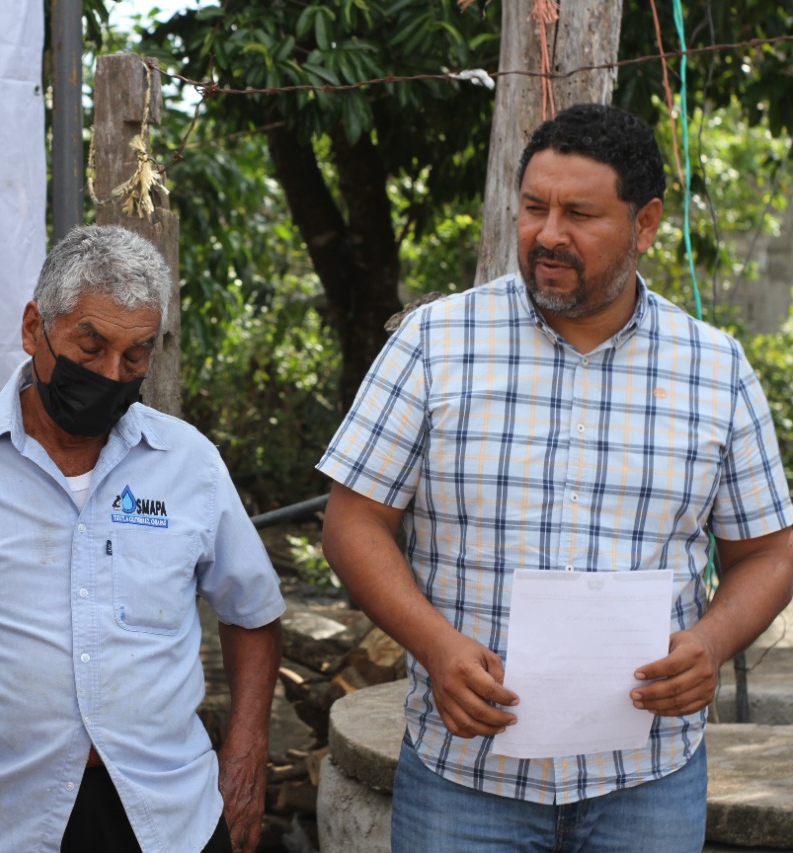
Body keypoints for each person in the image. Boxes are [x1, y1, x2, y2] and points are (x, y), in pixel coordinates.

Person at [318, 103, 793, 851]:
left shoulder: (715, 368)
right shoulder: (435, 343)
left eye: (580, 214)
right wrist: (436, 646)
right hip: (463, 778)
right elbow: (352, 522)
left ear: (645, 224)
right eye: (535, 207)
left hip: (649, 779)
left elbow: (768, 552)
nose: (548, 234)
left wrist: (712, 642)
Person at [0, 224, 285, 853]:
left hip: (167, 818)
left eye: (135, 356)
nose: (111, 373)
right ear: (35, 329)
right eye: (91, 346)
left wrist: (246, 749)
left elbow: (253, 611)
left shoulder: (189, 463)